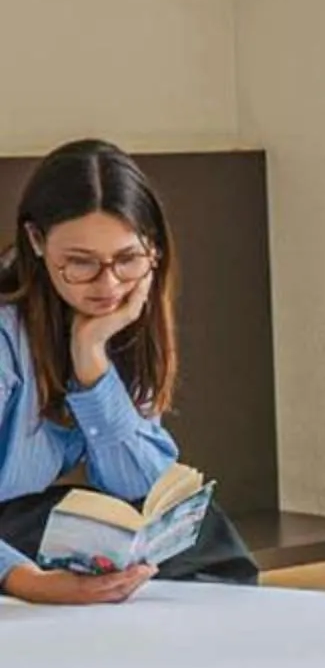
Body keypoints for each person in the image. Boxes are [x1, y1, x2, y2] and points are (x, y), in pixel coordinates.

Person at [0, 140, 256, 605]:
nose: (109, 285)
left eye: (127, 259)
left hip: (30, 520)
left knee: (208, 535)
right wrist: (26, 581)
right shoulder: (4, 338)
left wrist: (91, 357)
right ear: (36, 241)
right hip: (7, 530)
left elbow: (139, 484)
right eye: (80, 262)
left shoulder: (117, 323)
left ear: (153, 248)